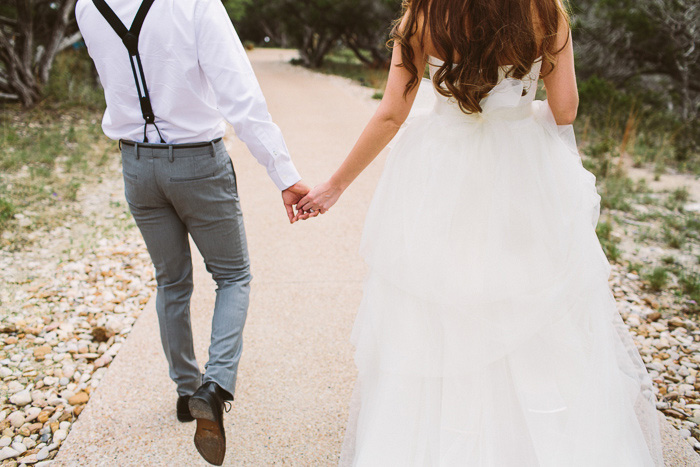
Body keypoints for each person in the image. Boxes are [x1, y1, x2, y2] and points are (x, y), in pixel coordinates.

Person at [297, 0, 665, 464]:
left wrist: (334, 186)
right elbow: (565, 109)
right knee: (525, 295)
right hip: (523, 171)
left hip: (442, 169)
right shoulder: (547, 13)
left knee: (445, 301)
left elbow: (392, 114)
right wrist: (514, 112)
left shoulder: (425, 16)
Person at [75, 0, 314, 464]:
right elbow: (240, 95)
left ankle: (187, 393)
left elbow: (113, 78)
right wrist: (283, 174)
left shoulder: (87, 5)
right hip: (198, 162)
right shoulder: (195, 2)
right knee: (233, 276)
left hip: (135, 165)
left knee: (171, 281)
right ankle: (215, 385)